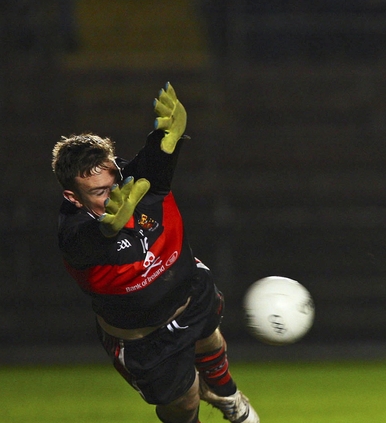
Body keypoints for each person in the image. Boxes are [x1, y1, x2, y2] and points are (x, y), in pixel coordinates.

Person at [52, 83, 259, 423]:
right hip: (145, 340)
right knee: (186, 401)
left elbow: (157, 162)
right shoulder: (74, 233)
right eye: (99, 193)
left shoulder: (135, 179)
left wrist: (169, 136)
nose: (112, 194)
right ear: (74, 198)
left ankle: (227, 396)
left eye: (113, 181)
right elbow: (88, 240)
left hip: (190, 290)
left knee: (210, 340)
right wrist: (107, 226)